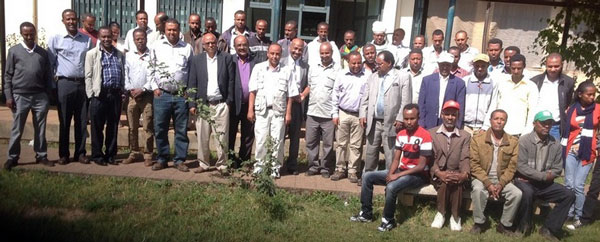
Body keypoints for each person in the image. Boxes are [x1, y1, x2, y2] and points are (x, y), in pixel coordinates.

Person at [350, 104, 432, 231]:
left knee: (392, 186)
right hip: (402, 171)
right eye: (406, 119)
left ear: (418, 118)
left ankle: (388, 220)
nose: (409, 122)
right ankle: (366, 213)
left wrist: (397, 175)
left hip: (418, 175)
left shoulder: (425, 135)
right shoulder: (401, 134)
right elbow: (395, 159)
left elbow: (421, 166)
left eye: (412, 118)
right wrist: (391, 173)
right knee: (367, 176)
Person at [514, 110, 575, 240]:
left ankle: (549, 228)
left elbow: (558, 168)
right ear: (534, 124)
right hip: (525, 181)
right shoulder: (524, 141)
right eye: (543, 123)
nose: (547, 126)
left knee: (568, 195)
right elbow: (521, 166)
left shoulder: (555, 143)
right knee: (527, 193)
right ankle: (523, 226)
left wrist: (550, 176)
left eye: (549, 123)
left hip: (545, 184)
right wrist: (542, 176)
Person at [3, 22, 54, 170]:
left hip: (39, 96)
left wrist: (48, 94)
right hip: (20, 96)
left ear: (35, 33)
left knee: (41, 128)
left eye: (32, 33)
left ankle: (41, 155)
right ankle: (12, 158)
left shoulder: (42, 53)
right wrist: (8, 96)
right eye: (26, 34)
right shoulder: (14, 51)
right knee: (17, 128)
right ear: (21, 34)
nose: (29, 36)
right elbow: (8, 75)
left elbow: (48, 75)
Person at [47, 9, 93, 165]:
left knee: (81, 121)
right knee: (64, 121)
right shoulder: (55, 39)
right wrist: (54, 86)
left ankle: (80, 153)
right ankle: (64, 154)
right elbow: (51, 64)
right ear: (63, 21)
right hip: (64, 84)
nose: (71, 22)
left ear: (78, 20)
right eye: (68, 19)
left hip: (82, 84)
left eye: (73, 19)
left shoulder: (86, 40)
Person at [148, 18, 193, 172]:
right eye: (169, 30)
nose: (172, 32)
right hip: (162, 95)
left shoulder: (187, 48)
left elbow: (191, 71)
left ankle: (179, 160)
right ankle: (162, 158)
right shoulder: (156, 47)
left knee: (181, 129)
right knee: (160, 128)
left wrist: (189, 91)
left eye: (174, 30)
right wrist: (154, 88)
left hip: (181, 95)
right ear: (164, 30)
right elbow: (150, 68)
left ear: (179, 30)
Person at [247, 44, 298, 178]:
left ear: (281, 55)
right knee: (261, 139)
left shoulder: (287, 71)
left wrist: (288, 113)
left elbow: (290, 95)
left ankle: (275, 167)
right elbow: (252, 91)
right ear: (267, 54)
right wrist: (250, 110)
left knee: (277, 140)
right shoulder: (258, 68)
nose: (274, 56)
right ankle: (260, 166)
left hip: (279, 112)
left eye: (277, 54)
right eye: (272, 53)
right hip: (262, 110)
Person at [188, 33, 234, 176]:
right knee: (202, 137)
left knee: (222, 137)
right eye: (207, 43)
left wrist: (228, 102)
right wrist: (192, 103)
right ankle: (204, 163)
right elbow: (192, 82)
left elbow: (231, 81)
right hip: (203, 105)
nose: (210, 45)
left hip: (221, 104)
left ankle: (222, 165)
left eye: (213, 42)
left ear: (217, 43)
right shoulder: (197, 60)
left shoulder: (226, 58)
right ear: (203, 45)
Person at [469, 109, 521, 235]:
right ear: (490, 121)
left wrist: (501, 183)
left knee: (516, 193)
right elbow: (474, 165)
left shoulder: (513, 142)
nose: (499, 122)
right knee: (477, 189)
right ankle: (479, 223)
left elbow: (512, 167)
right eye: (496, 118)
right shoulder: (478, 139)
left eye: (502, 119)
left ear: (506, 122)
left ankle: (504, 224)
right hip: (482, 177)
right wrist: (488, 183)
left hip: (501, 179)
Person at [359, 51, 411, 172]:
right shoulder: (373, 77)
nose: (377, 66)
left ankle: (391, 176)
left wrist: (400, 118)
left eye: (380, 63)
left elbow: (406, 101)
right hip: (374, 121)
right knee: (371, 151)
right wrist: (363, 114)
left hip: (392, 122)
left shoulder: (402, 77)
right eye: (376, 63)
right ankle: (368, 176)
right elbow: (365, 98)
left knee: (390, 152)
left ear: (389, 63)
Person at [561, 81, 599, 230]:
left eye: (594, 94)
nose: (592, 97)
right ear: (580, 94)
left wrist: (597, 145)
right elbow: (568, 130)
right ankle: (567, 213)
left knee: (578, 185)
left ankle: (578, 217)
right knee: (569, 184)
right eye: (589, 94)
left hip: (587, 152)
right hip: (571, 150)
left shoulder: (598, 109)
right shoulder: (571, 109)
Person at [85, 26, 125, 166]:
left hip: (114, 94)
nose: (107, 39)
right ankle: (97, 155)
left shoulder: (119, 54)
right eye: (104, 37)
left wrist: (122, 89)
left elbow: (123, 73)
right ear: (99, 38)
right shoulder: (92, 54)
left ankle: (110, 155)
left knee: (113, 126)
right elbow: (88, 76)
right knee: (97, 127)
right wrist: (91, 95)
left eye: (109, 36)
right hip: (99, 94)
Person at [430, 100, 471, 231]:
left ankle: (455, 216)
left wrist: (464, 174)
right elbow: (429, 158)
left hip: (456, 172)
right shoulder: (431, 133)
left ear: (457, 116)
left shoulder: (465, 135)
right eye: (447, 114)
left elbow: (465, 157)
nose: (450, 117)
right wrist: (438, 172)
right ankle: (441, 213)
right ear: (442, 114)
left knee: (456, 181)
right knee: (445, 181)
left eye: (453, 115)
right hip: (438, 173)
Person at [331, 52, 367, 182]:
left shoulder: (367, 75)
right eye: (354, 63)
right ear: (348, 62)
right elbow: (335, 94)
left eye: (359, 62)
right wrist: (334, 113)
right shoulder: (341, 74)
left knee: (356, 145)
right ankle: (339, 168)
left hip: (359, 115)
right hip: (343, 113)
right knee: (341, 144)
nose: (356, 65)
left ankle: (353, 170)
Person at [305, 42, 340, 178]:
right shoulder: (313, 68)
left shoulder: (337, 70)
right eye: (322, 53)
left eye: (327, 53)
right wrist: (302, 95)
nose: (324, 55)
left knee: (328, 144)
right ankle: (313, 166)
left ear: (331, 53)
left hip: (328, 114)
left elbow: (338, 91)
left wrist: (335, 112)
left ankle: (325, 168)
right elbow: (309, 86)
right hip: (313, 112)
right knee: (311, 142)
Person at [484, 54, 538, 136]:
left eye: (519, 68)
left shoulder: (531, 86)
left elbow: (532, 111)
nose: (516, 71)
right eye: (513, 68)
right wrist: (486, 126)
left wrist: (526, 132)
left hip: (519, 132)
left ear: (524, 67)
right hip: (499, 130)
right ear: (510, 67)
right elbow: (494, 105)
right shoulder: (502, 83)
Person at [123, 28, 154, 167]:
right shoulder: (128, 56)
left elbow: (154, 74)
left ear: (146, 39)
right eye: (137, 39)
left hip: (147, 96)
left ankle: (148, 154)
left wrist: (143, 89)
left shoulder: (152, 55)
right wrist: (131, 89)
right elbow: (125, 75)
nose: (140, 41)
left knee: (148, 127)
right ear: (133, 40)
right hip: (132, 97)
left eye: (142, 38)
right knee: (132, 127)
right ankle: (133, 153)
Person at [531, 53, 575, 141]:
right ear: (546, 65)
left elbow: (568, 102)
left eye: (556, 66)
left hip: (555, 126)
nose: (553, 69)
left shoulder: (568, 82)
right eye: (550, 66)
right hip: (537, 125)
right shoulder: (535, 81)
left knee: (554, 153)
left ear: (561, 65)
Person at [418, 52, 466, 129]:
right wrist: (421, 123)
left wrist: (457, 126)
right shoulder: (427, 80)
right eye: (442, 64)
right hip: (428, 123)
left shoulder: (459, 83)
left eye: (447, 65)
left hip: (448, 125)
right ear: (438, 64)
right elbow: (421, 104)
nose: (445, 67)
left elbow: (460, 107)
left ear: (451, 65)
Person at [229, 35, 256, 168]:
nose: (242, 47)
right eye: (239, 45)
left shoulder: (255, 61)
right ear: (234, 47)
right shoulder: (230, 60)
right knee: (230, 133)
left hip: (250, 105)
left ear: (248, 45)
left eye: (244, 44)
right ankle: (230, 159)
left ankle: (244, 160)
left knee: (248, 134)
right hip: (233, 104)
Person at [284, 38, 309, 175]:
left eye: (300, 49)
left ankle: (292, 165)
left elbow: (309, 84)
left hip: (297, 105)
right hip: (282, 104)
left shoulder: (305, 66)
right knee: (280, 135)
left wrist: (303, 95)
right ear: (290, 48)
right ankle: (277, 162)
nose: (297, 52)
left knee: (295, 136)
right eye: (295, 48)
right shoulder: (281, 63)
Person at [463, 54, 495, 134]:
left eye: (483, 66)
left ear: (488, 65)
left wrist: (486, 126)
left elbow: (493, 105)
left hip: (483, 127)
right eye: (477, 66)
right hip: (465, 126)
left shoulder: (493, 83)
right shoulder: (465, 81)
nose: (480, 69)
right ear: (473, 65)